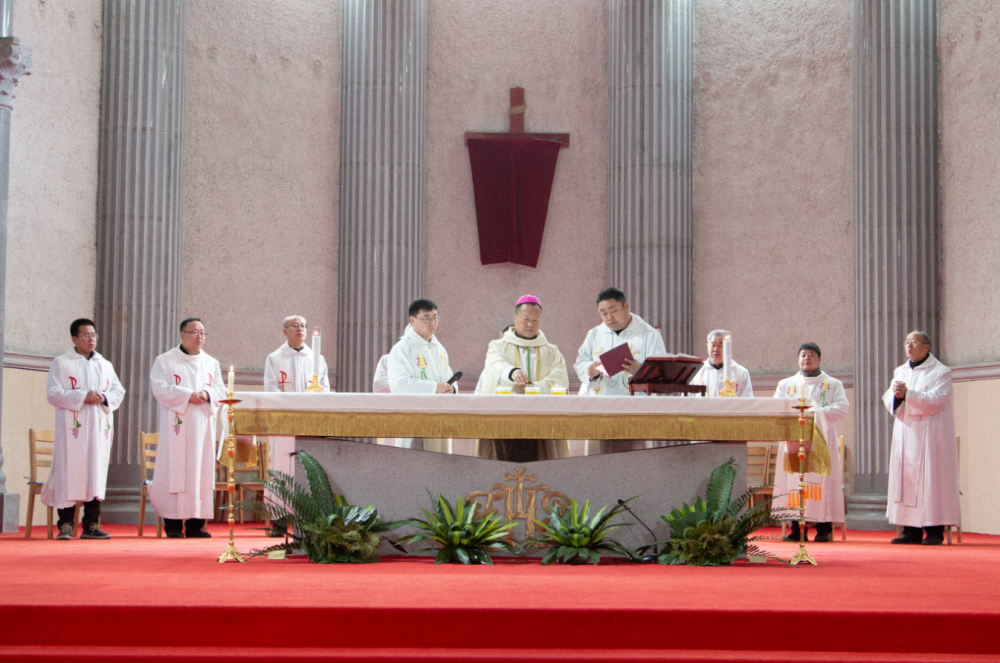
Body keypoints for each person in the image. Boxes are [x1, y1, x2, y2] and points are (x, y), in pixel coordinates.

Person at [41, 319, 126, 540]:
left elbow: (118, 391)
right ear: (74, 339)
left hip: (98, 427)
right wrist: (81, 396)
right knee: (70, 471)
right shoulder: (61, 363)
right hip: (73, 429)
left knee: (95, 472)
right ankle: (66, 524)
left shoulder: (104, 364)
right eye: (86, 335)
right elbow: (53, 393)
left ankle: (91, 525)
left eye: (94, 335)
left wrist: (104, 396)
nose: (91, 339)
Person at [148, 318, 227, 539]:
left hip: (202, 428)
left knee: (200, 472)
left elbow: (221, 390)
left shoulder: (211, 363)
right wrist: (187, 395)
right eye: (194, 332)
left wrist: (208, 394)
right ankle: (172, 525)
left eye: (202, 332)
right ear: (182, 335)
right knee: (174, 470)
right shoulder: (165, 361)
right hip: (178, 428)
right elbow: (159, 388)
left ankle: (195, 525)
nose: (199, 336)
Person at [883, 331, 960, 545]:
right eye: (906, 342)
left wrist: (908, 394)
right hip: (906, 434)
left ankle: (934, 532)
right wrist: (896, 396)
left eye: (914, 342)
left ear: (926, 346)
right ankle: (910, 531)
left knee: (931, 482)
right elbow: (889, 399)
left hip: (931, 437)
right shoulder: (900, 371)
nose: (909, 345)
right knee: (905, 480)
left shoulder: (941, 372)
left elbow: (937, 400)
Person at [772, 343, 849, 542]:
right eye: (803, 355)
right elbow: (776, 408)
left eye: (811, 355)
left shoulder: (833, 384)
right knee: (794, 483)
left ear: (820, 358)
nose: (806, 358)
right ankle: (797, 530)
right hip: (793, 442)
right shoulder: (786, 384)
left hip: (821, 441)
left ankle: (824, 528)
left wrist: (814, 414)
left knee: (821, 483)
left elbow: (841, 408)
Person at [478, 294, 570, 461]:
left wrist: (533, 388)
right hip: (505, 422)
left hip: (541, 423)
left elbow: (560, 378)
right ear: (515, 317)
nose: (530, 324)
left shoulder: (552, 351)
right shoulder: (498, 346)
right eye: (526, 319)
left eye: (535, 320)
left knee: (539, 468)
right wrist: (511, 372)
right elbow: (494, 365)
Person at [262, 315, 330, 536]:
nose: (300, 329)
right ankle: (279, 520)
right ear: (284, 331)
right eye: (295, 326)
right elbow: (271, 389)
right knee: (281, 468)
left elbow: (325, 388)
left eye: (303, 326)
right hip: (284, 422)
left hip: (310, 422)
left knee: (306, 468)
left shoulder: (317, 359)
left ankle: (307, 521)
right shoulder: (274, 358)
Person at [386, 299, 457, 452]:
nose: (432, 322)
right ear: (412, 320)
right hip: (415, 419)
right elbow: (400, 384)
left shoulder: (439, 348)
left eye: (435, 317)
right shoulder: (403, 348)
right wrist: (434, 388)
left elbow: (449, 375)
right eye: (426, 318)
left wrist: (452, 389)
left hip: (441, 419)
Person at [574, 288, 667, 397]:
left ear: (626, 306)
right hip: (600, 404)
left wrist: (641, 372)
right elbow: (581, 362)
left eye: (613, 311)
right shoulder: (594, 334)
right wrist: (590, 369)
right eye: (604, 313)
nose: (609, 318)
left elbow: (662, 374)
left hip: (636, 407)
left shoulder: (649, 334)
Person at [689, 330, 754, 397]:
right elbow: (688, 399)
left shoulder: (741, 373)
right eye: (713, 345)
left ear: (727, 347)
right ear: (707, 346)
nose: (716, 349)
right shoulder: (697, 371)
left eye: (720, 345)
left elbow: (747, 401)